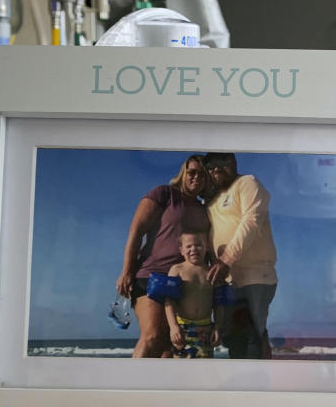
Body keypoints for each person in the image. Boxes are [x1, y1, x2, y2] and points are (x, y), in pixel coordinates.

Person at [115, 155, 210, 358]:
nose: (196, 177)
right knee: (153, 336)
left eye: (202, 174)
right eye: (192, 172)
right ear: (183, 173)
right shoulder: (164, 194)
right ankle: (128, 387)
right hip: (151, 275)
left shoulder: (204, 210)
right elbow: (136, 230)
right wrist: (125, 271)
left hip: (184, 282)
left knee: (169, 347)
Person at [203, 152, 277, 359]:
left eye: (222, 161)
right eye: (210, 165)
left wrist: (226, 259)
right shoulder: (210, 202)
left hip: (255, 276)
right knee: (234, 340)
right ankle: (245, 386)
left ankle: (255, 387)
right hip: (228, 281)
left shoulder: (246, 183)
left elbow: (251, 221)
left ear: (234, 162)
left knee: (252, 334)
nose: (216, 168)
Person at [163, 229, 229, 358]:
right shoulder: (177, 270)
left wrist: (217, 327)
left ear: (207, 247)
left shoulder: (212, 272)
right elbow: (169, 300)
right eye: (189, 246)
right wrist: (173, 326)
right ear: (181, 250)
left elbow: (219, 304)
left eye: (198, 245)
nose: (194, 249)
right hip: (182, 328)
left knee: (204, 368)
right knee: (181, 367)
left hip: (205, 328)